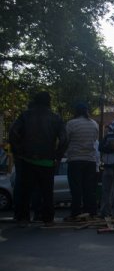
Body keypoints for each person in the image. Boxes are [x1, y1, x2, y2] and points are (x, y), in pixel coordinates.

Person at [9, 91, 68, 225]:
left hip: (27, 159)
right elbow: (64, 139)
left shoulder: (25, 115)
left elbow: (13, 132)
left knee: (26, 191)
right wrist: (57, 155)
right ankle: (47, 217)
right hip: (47, 160)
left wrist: (18, 151)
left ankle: (23, 217)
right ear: (49, 102)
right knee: (47, 191)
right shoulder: (55, 118)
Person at [64, 103, 99, 220]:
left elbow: (65, 140)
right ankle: (91, 211)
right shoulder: (94, 124)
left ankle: (76, 212)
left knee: (76, 188)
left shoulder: (71, 124)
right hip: (90, 160)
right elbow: (95, 139)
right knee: (89, 188)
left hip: (75, 160)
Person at [99, 125, 114, 219]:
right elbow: (101, 148)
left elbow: (109, 148)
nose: (107, 133)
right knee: (105, 191)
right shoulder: (105, 140)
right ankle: (105, 211)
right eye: (106, 131)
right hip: (106, 167)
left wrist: (109, 146)